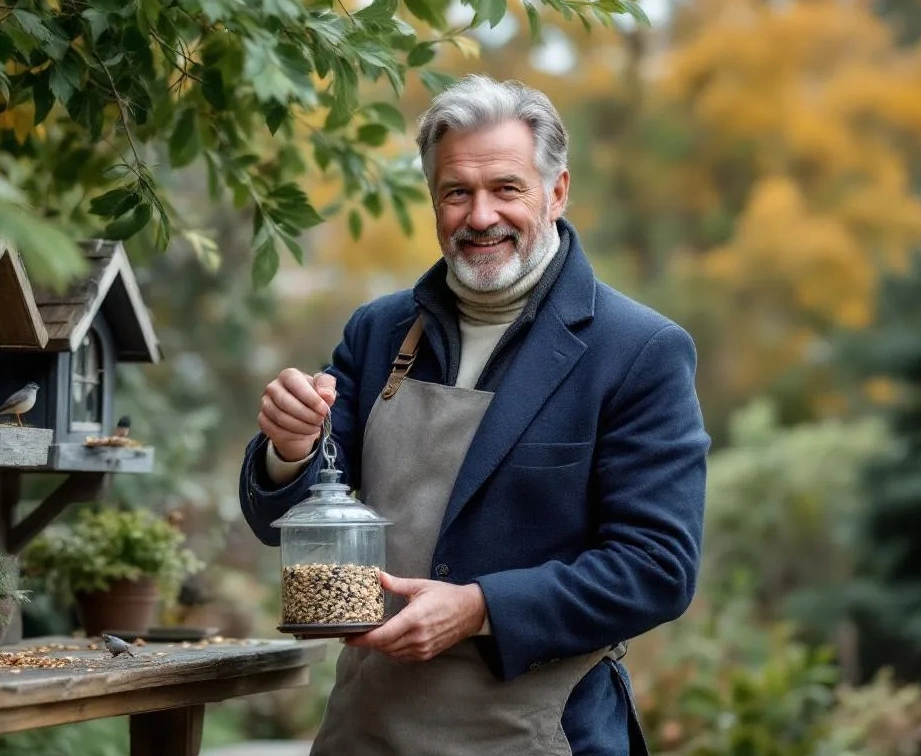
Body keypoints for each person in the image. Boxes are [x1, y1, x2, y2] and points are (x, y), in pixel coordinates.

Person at [238, 74, 710, 755]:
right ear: (434, 200)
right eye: (456, 192)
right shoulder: (378, 332)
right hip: (368, 729)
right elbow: (285, 520)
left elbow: (657, 567)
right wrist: (290, 448)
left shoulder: (636, 351)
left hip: (536, 732)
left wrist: (481, 607)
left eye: (506, 188)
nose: (480, 216)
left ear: (557, 191)